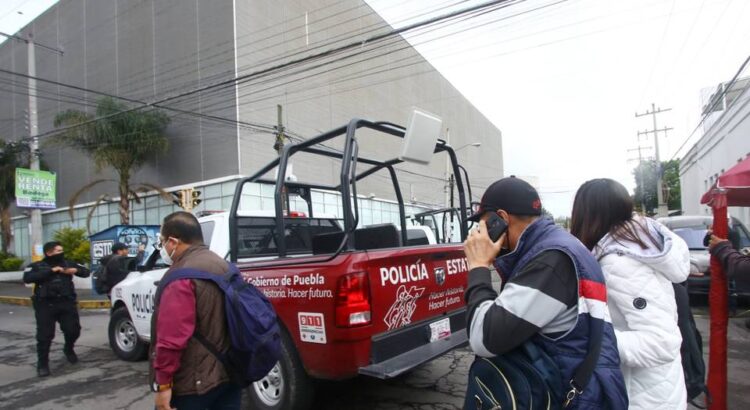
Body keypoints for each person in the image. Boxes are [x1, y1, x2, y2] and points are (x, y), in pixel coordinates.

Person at [464, 176, 628, 408]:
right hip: (567, 387)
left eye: (482, 224)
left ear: (500, 219)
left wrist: (478, 267)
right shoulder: (555, 247)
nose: (478, 233)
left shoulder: (551, 259)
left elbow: (484, 339)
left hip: (568, 396)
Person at [570, 178, 690, 410]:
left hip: (641, 397)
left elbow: (661, 342)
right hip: (656, 390)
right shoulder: (637, 246)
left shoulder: (620, 262)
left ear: (589, 214)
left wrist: (590, 336)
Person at [150, 211, 240, 410]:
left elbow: (171, 339)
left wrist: (163, 385)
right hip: (230, 373)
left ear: (173, 241)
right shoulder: (225, 266)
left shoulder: (179, 278)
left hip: (194, 386)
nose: (163, 247)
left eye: (163, 241)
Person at [23, 241, 91, 377]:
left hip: (66, 302)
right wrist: (51, 271)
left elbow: (86, 272)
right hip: (45, 305)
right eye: (58, 251)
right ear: (49, 253)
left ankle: (68, 348)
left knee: (73, 330)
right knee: (45, 335)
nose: (61, 253)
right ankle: (42, 364)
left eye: (62, 251)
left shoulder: (68, 263)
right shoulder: (37, 266)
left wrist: (75, 270)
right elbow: (27, 278)